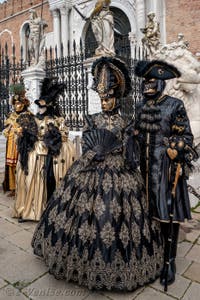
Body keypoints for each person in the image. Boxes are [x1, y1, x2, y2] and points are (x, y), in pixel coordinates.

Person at [31, 57, 163, 291]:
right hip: (90, 168)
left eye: (108, 98)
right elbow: (87, 143)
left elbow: (127, 149)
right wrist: (95, 153)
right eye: (102, 98)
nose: (104, 103)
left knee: (118, 216)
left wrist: (129, 141)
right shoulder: (91, 120)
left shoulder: (125, 122)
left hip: (119, 172)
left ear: (117, 98)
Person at [134, 60, 198, 287]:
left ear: (160, 83)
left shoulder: (175, 104)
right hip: (144, 169)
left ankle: (169, 261)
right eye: (144, 83)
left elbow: (187, 137)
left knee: (167, 215)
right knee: (147, 214)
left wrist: (176, 146)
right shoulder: (141, 106)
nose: (147, 86)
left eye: (151, 82)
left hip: (166, 170)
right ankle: (152, 252)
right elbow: (136, 132)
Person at [13, 78, 75, 222]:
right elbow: (29, 134)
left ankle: (49, 209)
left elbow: (64, 135)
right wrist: (23, 134)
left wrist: (54, 136)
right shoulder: (32, 119)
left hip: (50, 155)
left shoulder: (57, 119)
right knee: (30, 180)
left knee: (48, 179)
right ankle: (30, 210)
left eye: (42, 105)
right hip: (35, 154)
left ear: (49, 105)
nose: (40, 108)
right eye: (39, 105)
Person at [2, 83, 30, 197]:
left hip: (21, 145)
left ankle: (22, 186)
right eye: (15, 103)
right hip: (11, 145)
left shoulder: (27, 115)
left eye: (19, 103)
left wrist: (20, 130)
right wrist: (8, 130)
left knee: (20, 165)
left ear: (23, 104)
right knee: (11, 165)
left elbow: (30, 131)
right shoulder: (11, 115)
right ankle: (13, 187)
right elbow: (7, 128)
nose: (16, 105)